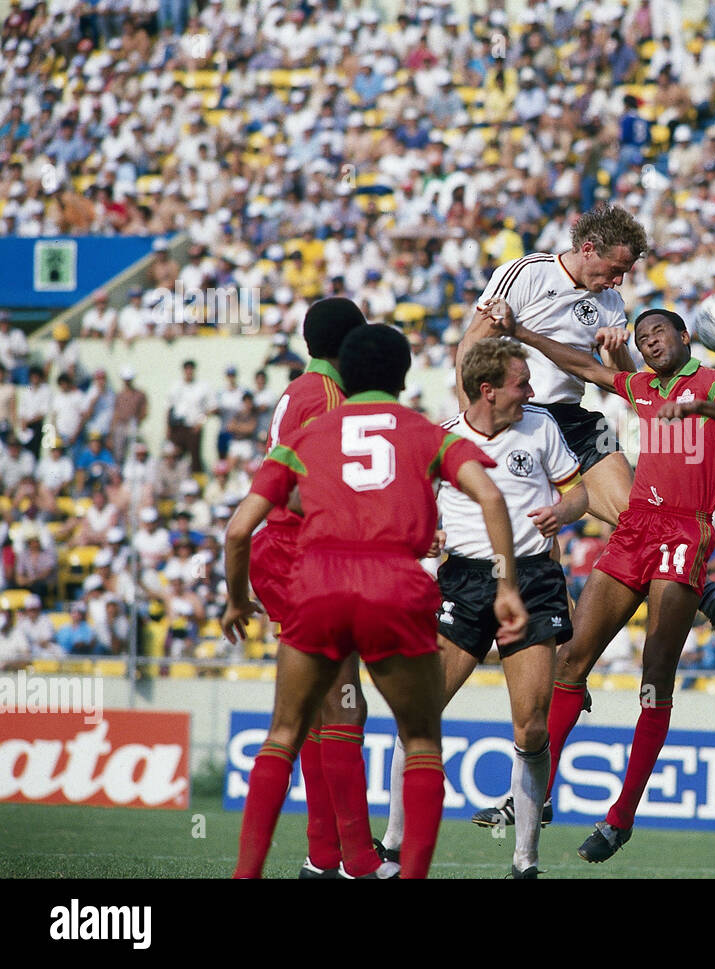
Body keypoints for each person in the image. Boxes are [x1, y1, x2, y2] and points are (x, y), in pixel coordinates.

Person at [222, 322, 527, 880]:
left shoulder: (307, 435)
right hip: (394, 582)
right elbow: (489, 496)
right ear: (403, 375)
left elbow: (240, 529)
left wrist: (236, 602)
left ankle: (248, 875)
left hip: (317, 583)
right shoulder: (425, 432)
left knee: (284, 734)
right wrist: (506, 584)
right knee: (420, 740)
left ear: (346, 372)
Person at [487, 303, 715, 863]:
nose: (650, 342)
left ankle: (621, 817)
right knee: (570, 664)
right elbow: (585, 368)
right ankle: (533, 796)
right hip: (636, 527)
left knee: (654, 677)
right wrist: (520, 331)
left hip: (686, 530)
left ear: (685, 336)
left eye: (659, 331)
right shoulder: (641, 387)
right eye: (642, 337)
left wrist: (704, 407)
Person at [459, 205, 715, 644]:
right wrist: (470, 426)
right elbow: (472, 345)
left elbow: (627, 382)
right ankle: (561, 653)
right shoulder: (526, 273)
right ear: (587, 250)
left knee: (641, 515)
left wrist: (616, 352)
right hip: (521, 416)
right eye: (615, 269)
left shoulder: (610, 302)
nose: (618, 281)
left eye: (625, 273)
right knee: (535, 544)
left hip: (575, 417)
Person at [381, 338, 588, 879]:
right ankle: (393, 843)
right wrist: (421, 535)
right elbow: (410, 503)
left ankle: (524, 860)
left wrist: (563, 509)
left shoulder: (541, 427)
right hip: (464, 581)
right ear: (488, 390)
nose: (532, 390)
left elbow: (580, 492)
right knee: (418, 714)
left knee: (532, 729)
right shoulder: (443, 438)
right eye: (522, 382)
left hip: (533, 579)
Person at [246, 298, 378, 880]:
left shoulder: (302, 390)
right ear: (348, 346)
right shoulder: (327, 399)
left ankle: (325, 855)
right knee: (345, 704)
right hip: (302, 553)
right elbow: (304, 487)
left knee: (328, 709)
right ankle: (355, 859)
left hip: (280, 554)